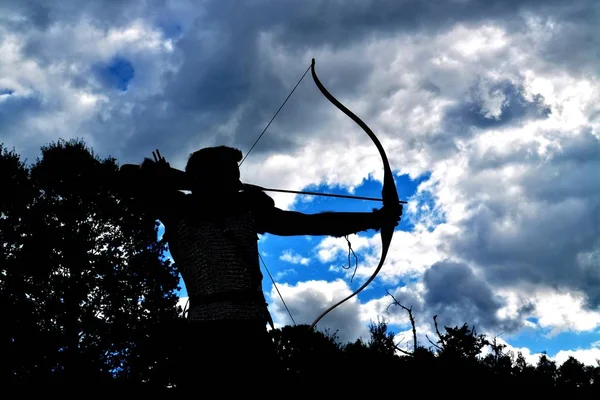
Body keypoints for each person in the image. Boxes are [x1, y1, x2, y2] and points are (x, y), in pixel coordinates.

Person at [119, 145, 402, 389]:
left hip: (251, 332)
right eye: (232, 175)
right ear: (210, 178)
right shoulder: (177, 209)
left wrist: (374, 219)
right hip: (205, 337)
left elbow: (309, 222)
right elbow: (126, 175)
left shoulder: (246, 210)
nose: (239, 182)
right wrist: (183, 181)